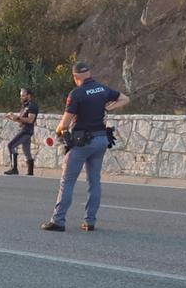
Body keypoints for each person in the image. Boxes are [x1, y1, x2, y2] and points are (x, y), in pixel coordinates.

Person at [42, 61, 130, 232]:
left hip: (83, 142)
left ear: (75, 77)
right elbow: (125, 98)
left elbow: (65, 123)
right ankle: (90, 221)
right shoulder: (102, 89)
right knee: (94, 181)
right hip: (101, 140)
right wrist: (110, 107)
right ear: (89, 74)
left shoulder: (77, 94)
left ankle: (58, 221)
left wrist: (59, 130)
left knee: (67, 182)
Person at [3, 87, 38, 176]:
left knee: (11, 145)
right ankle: (30, 172)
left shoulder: (32, 106)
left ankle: (14, 168)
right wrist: (12, 117)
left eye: (23, 95)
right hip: (25, 129)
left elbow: (30, 120)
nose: (21, 97)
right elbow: (22, 120)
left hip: (27, 131)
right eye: (20, 96)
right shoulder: (25, 106)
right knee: (26, 151)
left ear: (29, 96)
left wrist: (17, 118)